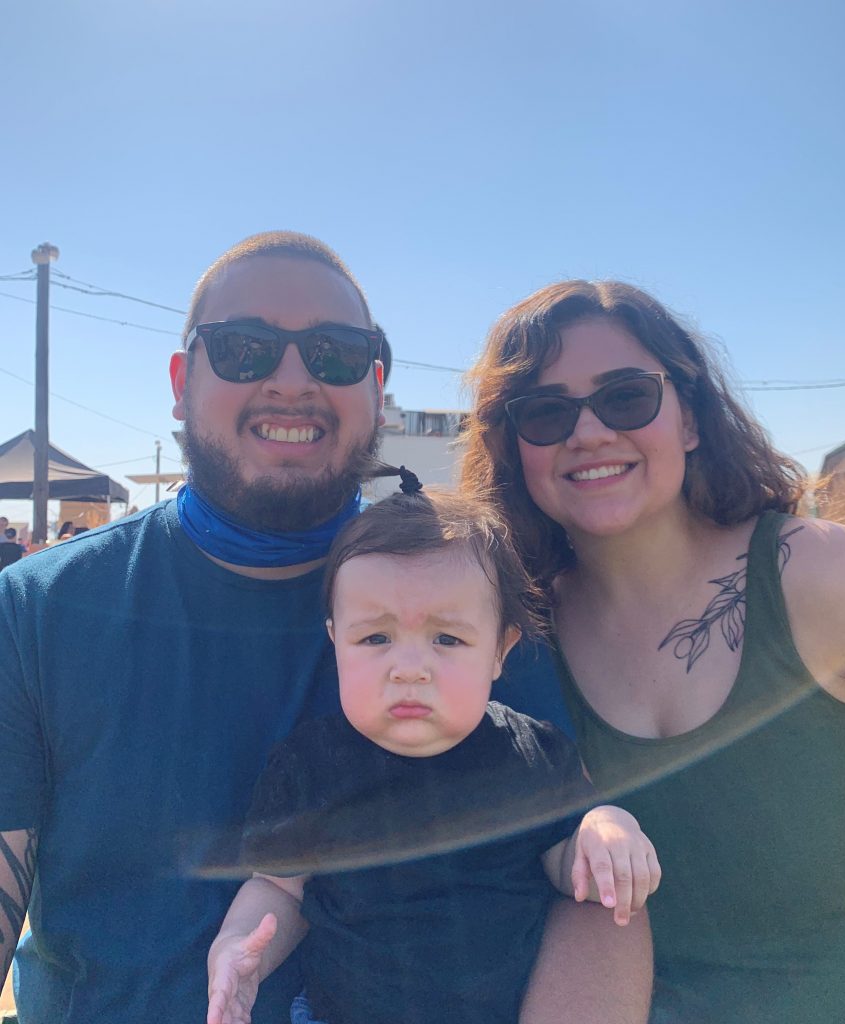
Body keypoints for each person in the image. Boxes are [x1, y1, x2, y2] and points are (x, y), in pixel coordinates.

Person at [0, 236, 652, 1024]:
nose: (291, 380)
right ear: (182, 382)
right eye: (245, 349)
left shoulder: (469, 595)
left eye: (335, 355)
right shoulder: (38, 608)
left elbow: (588, 886)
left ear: (377, 387)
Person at [460, 279, 845, 1024]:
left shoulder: (820, 575)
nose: (589, 433)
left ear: (691, 418)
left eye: (626, 396)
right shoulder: (512, 642)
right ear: (514, 451)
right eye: (545, 413)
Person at [207, 487, 661, 1024]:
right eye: (376, 639)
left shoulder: (531, 755)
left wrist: (607, 826)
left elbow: (568, 867)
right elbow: (278, 888)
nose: (409, 668)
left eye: (447, 639)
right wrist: (237, 951)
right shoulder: (310, 765)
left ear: (500, 651)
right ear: (335, 643)